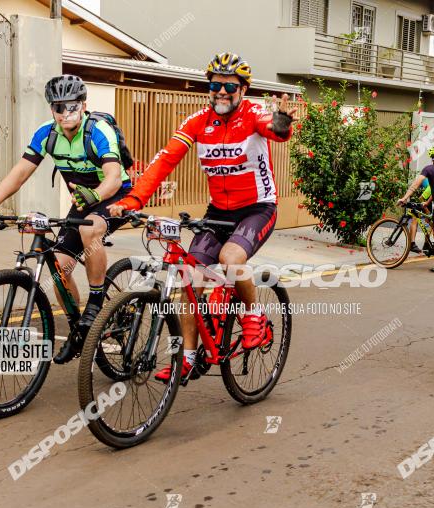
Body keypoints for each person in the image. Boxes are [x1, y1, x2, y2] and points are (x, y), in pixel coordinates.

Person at [108, 52, 295, 382]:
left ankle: (253, 315)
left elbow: (274, 130)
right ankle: (190, 357)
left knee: (230, 257)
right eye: (215, 85)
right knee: (189, 279)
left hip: (257, 207)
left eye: (230, 86)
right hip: (218, 212)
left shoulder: (253, 114)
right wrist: (133, 200)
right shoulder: (197, 121)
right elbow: (164, 161)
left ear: (243, 89)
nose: (221, 91)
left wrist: (281, 123)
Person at [0, 74, 133, 363]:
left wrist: (95, 197)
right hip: (82, 199)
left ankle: (96, 303)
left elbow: (112, 178)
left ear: (83, 105)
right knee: (60, 266)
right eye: (58, 107)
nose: (65, 112)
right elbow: (20, 172)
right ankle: (78, 331)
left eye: (72, 106)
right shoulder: (46, 134)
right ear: (51, 108)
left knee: (90, 231)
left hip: (114, 196)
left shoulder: (97, 131)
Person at [397, 145, 434, 272]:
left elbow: (415, 184)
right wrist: (428, 202)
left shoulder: (428, 169)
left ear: (432, 157)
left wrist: (405, 197)